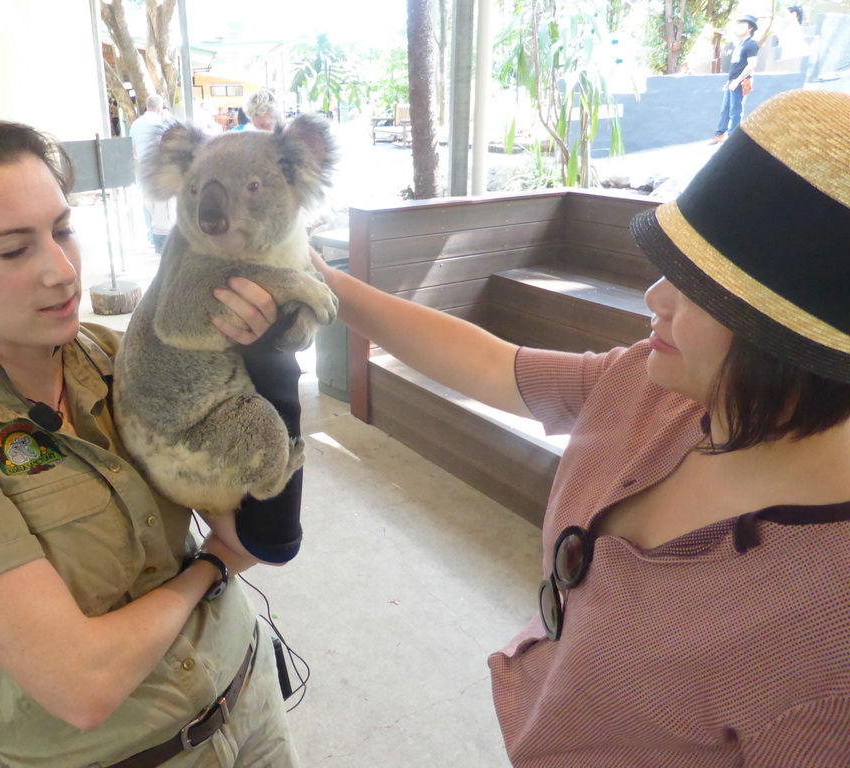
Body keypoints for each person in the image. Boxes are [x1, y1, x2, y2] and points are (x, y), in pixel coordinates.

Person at [309, 89, 850, 764]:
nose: (654, 298)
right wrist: (317, 281)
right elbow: (493, 365)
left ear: (795, 344)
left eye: (699, 289)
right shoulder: (662, 391)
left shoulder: (829, 640)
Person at [0, 111, 302, 768]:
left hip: (247, 689)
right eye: (14, 249)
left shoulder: (119, 358)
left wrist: (266, 356)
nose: (63, 271)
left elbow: (254, 525)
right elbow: (81, 685)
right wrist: (209, 568)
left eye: (63, 229)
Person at [129, 93, 172, 251]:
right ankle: (163, 236)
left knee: (147, 202)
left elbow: (133, 150)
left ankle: (151, 234)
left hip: (142, 167)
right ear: (160, 108)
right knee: (163, 205)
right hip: (159, 167)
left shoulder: (135, 125)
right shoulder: (163, 123)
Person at [709, 15, 759, 144]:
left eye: (743, 25)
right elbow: (737, 65)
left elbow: (752, 64)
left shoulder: (751, 44)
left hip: (740, 82)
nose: (740, 27)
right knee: (725, 109)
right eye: (739, 24)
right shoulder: (741, 44)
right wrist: (730, 81)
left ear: (750, 28)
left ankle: (732, 139)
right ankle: (720, 134)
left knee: (735, 110)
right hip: (733, 81)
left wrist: (737, 81)